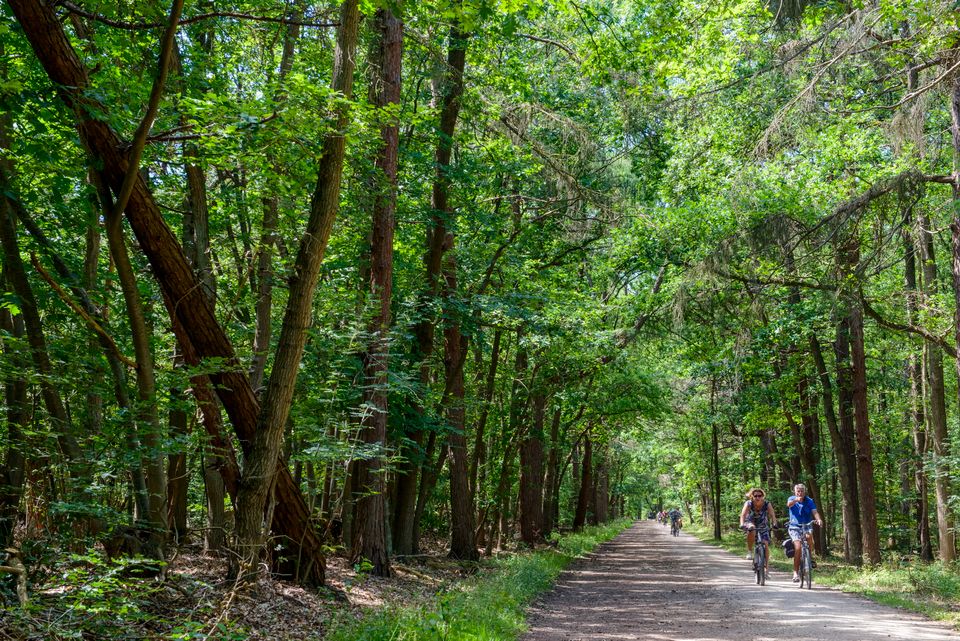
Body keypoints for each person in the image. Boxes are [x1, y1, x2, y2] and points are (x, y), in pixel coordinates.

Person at [787, 483, 822, 582]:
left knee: (809, 537)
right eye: (798, 491)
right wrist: (795, 500)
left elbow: (814, 512)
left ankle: (808, 557)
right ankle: (795, 572)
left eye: (802, 491)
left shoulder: (809, 500)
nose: (800, 493)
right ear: (795, 492)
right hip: (794, 527)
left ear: (804, 492)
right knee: (798, 548)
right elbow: (789, 505)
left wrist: (818, 520)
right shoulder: (791, 499)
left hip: (806, 525)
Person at [739, 488, 776, 577]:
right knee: (752, 528)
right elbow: (743, 515)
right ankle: (749, 551)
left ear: (763, 496)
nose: (757, 497)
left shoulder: (767, 504)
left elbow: (772, 515)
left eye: (760, 496)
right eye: (755, 496)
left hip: (763, 524)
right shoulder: (748, 504)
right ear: (752, 496)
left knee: (766, 544)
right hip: (750, 521)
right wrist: (742, 524)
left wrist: (774, 523)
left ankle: (766, 570)